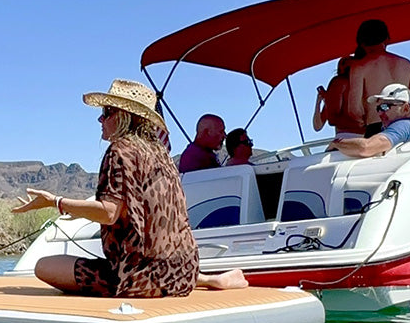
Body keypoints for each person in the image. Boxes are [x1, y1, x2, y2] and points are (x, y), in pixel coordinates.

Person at [13, 79, 247, 296]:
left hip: (137, 278)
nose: (100, 120)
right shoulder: (160, 153)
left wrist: (55, 202)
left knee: (44, 266)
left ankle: (200, 280)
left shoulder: (121, 151)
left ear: (125, 116)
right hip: (183, 272)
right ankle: (207, 279)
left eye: (107, 112)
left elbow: (109, 212)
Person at [345, 19, 410, 136]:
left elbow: (354, 110)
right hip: (405, 126)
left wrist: (364, 120)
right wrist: (399, 113)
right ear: (387, 39)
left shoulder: (360, 68)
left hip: (376, 127)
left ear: (361, 42)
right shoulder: (406, 64)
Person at [329, 84, 410, 158]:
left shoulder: (404, 124)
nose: (380, 113)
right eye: (378, 108)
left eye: (385, 107)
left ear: (405, 109)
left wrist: (337, 143)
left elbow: (366, 147)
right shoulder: (408, 127)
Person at [313, 57, 363, 137]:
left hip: (347, 137)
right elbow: (318, 126)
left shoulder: (339, 82)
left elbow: (332, 120)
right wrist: (320, 102)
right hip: (366, 138)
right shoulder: (366, 84)